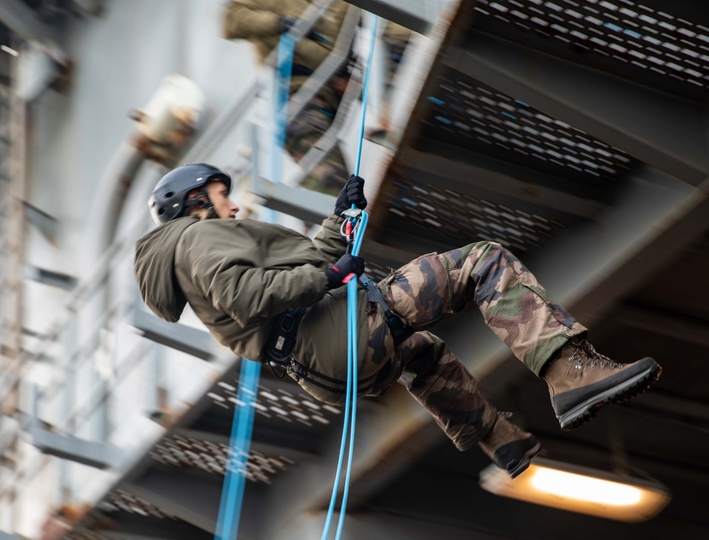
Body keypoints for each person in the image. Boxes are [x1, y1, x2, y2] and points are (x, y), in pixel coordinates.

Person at [135, 164, 662, 477]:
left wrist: (338, 223)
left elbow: (294, 273)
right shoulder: (198, 238)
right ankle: (570, 372)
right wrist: (331, 275)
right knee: (482, 262)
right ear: (196, 200)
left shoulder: (190, 256)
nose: (232, 207)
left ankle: (504, 443)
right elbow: (248, 295)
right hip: (340, 328)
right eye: (223, 194)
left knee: (423, 355)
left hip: (330, 365)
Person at [222, 0, 352, 195]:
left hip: (332, 88)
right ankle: (333, 211)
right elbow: (231, 22)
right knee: (324, 164)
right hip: (296, 90)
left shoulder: (337, 5)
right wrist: (279, 23)